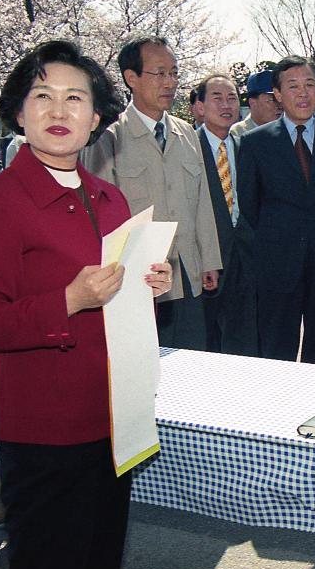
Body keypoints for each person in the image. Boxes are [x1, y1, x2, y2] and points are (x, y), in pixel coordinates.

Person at [0, 40, 172, 569]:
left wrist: (145, 284)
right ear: (19, 111)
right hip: (44, 429)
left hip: (113, 418)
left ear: (96, 115)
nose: (58, 109)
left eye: (75, 97)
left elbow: (116, 295)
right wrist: (69, 301)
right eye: (41, 95)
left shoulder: (108, 197)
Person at [83, 36, 222, 350]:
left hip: (186, 269)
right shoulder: (109, 136)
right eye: (160, 73)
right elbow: (99, 218)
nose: (170, 83)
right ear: (131, 78)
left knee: (192, 358)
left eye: (174, 73)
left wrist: (209, 260)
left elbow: (202, 202)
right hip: (138, 279)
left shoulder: (187, 133)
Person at [236, 56, 315, 366]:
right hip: (277, 264)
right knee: (275, 352)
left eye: (310, 85)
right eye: (293, 86)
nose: (303, 94)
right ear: (277, 94)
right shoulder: (255, 143)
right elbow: (250, 205)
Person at [195, 74, 260, 356]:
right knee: (207, 339)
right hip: (207, 258)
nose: (226, 105)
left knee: (245, 338)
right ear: (199, 106)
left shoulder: (249, 146)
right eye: (217, 98)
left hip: (246, 256)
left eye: (232, 98)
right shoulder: (187, 148)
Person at [232, 70, 281, 136]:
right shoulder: (237, 134)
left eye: (281, 99)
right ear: (253, 103)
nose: (279, 106)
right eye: (272, 100)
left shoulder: (292, 132)